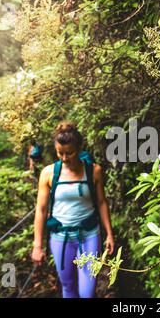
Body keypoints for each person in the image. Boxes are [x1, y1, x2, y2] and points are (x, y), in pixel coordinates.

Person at [31, 121, 114, 298]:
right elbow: (41, 209)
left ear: (80, 148)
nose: (65, 158)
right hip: (61, 238)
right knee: (68, 287)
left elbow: (101, 203)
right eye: (60, 153)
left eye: (70, 153)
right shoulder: (48, 173)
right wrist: (37, 245)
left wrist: (109, 234)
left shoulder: (94, 171)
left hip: (89, 235)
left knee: (87, 292)